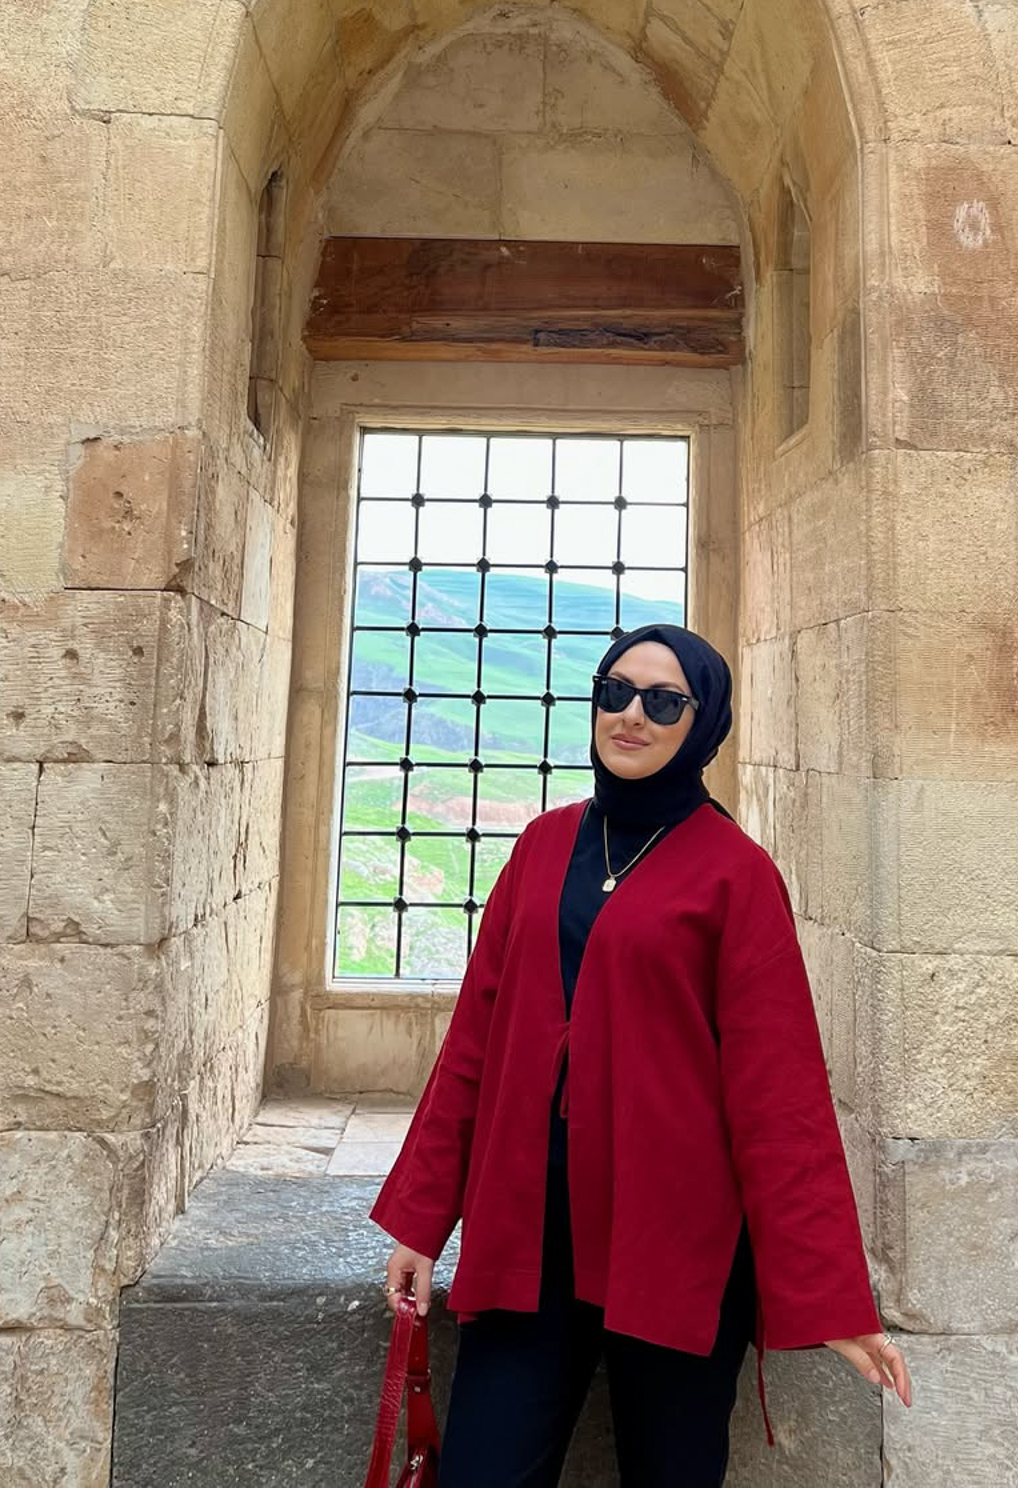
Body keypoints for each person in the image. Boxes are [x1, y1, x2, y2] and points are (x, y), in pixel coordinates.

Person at [371, 623, 912, 1486]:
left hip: (676, 1246)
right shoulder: (542, 847)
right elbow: (475, 1042)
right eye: (615, 691)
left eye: (663, 702)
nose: (631, 716)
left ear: (702, 724)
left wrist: (830, 1298)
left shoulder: (736, 875)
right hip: (529, 1234)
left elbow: (779, 1098)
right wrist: (422, 1220)